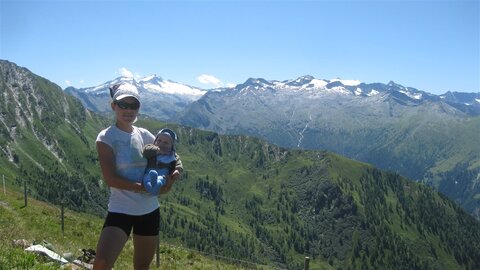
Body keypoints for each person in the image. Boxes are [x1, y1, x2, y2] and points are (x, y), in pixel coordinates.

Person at [93, 83, 182, 270]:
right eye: (123, 104)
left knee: (142, 266)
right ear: (113, 106)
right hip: (120, 210)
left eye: (133, 105)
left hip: (149, 210)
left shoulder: (145, 135)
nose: (128, 110)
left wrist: (172, 178)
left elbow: (171, 154)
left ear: (138, 108)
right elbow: (110, 179)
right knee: (101, 264)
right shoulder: (106, 138)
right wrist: (146, 188)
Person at [142, 128, 182, 196]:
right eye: (159, 140)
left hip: (163, 174)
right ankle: (152, 187)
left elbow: (178, 164)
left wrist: (177, 170)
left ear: (171, 146)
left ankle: (156, 185)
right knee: (146, 179)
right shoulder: (152, 148)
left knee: (161, 179)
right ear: (155, 141)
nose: (161, 144)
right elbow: (145, 151)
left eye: (166, 143)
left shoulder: (172, 155)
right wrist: (158, 150)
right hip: (149, 172)